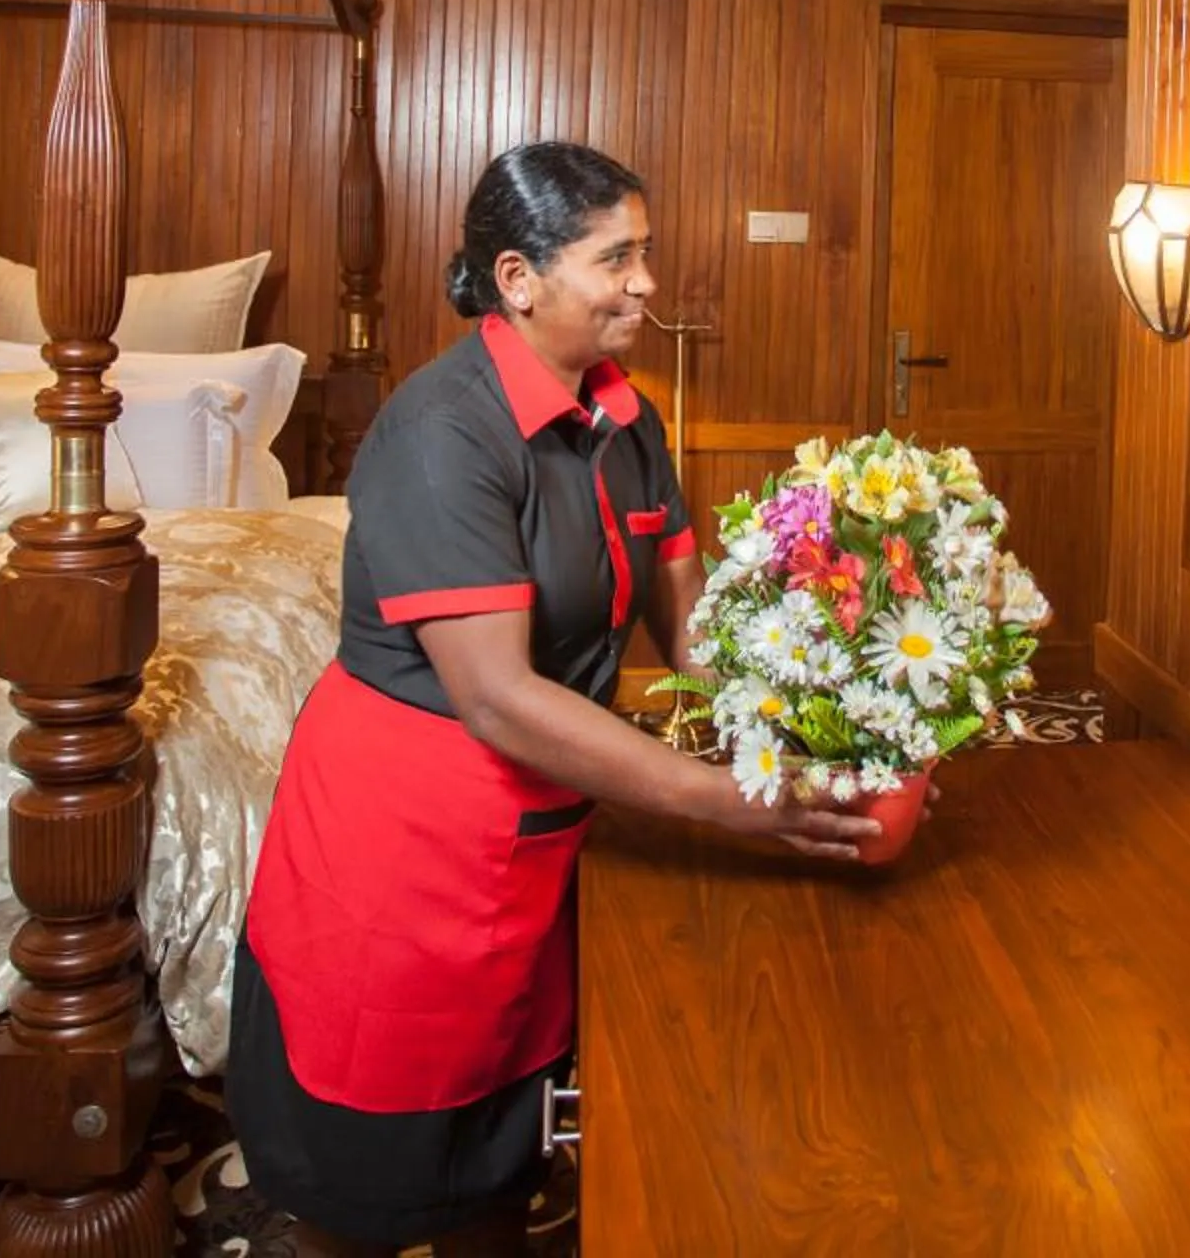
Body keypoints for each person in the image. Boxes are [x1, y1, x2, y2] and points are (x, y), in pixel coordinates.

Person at [229, 142, 885, 1258]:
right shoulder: (443, 435)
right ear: (519, 279)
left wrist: (815, 714)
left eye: (646, 252)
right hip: (404, 855)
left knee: (498, 1157)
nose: (645, 281)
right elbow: (499, 699)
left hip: (535, 832)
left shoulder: (629, 417)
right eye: (616, 257)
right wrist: (724, 798)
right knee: (364, 1190)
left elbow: (691, 621)